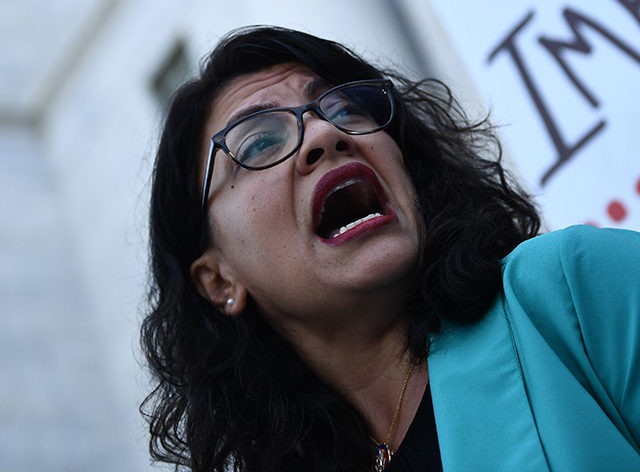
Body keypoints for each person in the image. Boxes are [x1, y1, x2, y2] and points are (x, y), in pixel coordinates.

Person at [140, 25, 640, 472]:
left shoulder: (571, 290)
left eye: (342, 108)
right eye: (258, 143)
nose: (326, 132)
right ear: (219, 280)